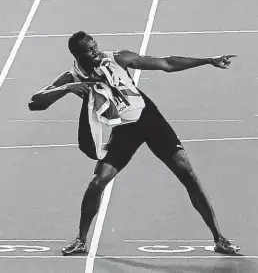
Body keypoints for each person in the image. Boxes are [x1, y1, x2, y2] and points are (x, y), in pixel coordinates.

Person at [28, 31, 240, 257]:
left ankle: (220, 239)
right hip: (124, 129)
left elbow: (166, 64)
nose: (96, 51)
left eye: (96, 45)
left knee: (187, 173)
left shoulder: (119, 58)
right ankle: (81, 241)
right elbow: (35, 102)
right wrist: (66, 88)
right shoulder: (72, 77)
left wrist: (207, 61)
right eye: (90, 50)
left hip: (150, 120)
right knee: (97, 182)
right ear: (77, 54)